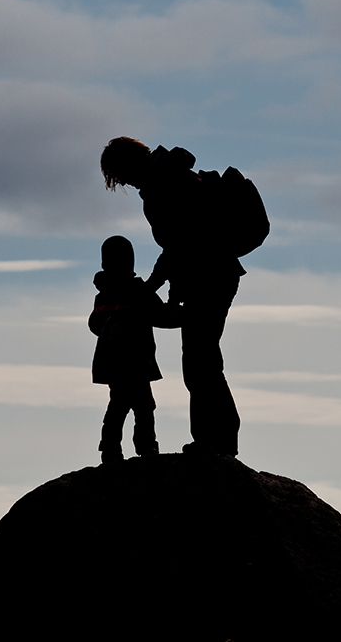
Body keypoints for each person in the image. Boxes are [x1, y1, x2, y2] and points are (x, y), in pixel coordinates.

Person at [100, 137, 248, 457]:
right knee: (201, 359)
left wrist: (162, 289)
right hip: (215, 274)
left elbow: (183, 243)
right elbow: (178, 246)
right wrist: (156, 287)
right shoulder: (170, 175)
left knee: (200, 361)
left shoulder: (163, 184)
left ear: (127, 166)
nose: (124, 182)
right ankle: (217, 440)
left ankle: (216, 442)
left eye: (121, 176)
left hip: (210, 276)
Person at [89, 235, 175, 465]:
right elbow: (162, 316)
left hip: (113, 362)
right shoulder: (138, 291)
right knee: (142, 405)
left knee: (120, 404)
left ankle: (111, 449)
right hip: (135, 360)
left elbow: (94, 325)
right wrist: (188, 315)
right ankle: (145, 447)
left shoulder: (103, 294)